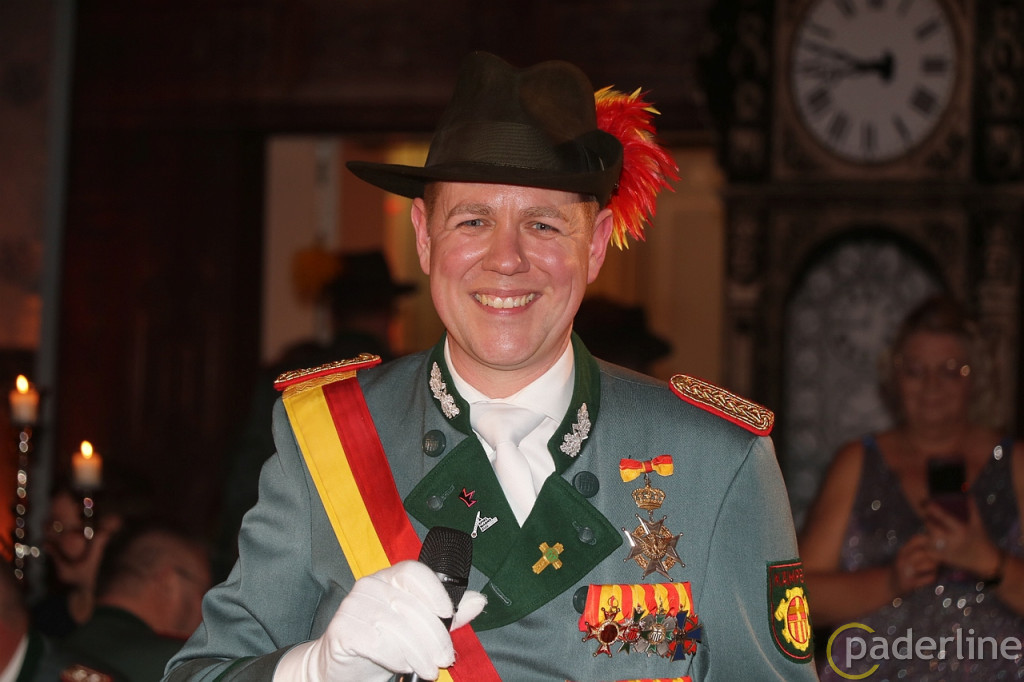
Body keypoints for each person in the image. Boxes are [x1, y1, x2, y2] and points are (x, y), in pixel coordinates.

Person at [166, 51, 816, 681]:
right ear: (425, 237)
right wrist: (314, 673)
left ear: (594, 246)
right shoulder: (326, 437)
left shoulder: (715, 459)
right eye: (473, 221)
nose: (506, 259)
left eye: (543, 225)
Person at [799, 295, 1024, 679]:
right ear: (893, 378)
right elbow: (797, 599)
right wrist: (890, 581)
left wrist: (988, 561)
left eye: (950, 370)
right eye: (916, 370)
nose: (932, 385)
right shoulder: (857, 461)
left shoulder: (1015, 462)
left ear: (977, 378)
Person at [213, 249, 416, 580]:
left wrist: (226, 566)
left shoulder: (285, 376)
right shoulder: (407, 380)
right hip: (381, 566)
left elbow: (245, 484)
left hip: (284, 557)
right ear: (389, 314)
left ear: (333, 314)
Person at [60, 523, 211, 682]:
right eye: (204, 592)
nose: (209, 609)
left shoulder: (56, 651)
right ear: (169, 583)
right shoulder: (184, 666)